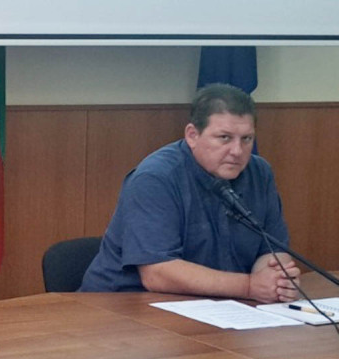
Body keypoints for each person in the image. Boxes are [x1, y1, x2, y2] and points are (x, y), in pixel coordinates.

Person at [79, 83, 300, 303]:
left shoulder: (259, 173)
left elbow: (273, 250)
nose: (237, 151)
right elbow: (157, 274)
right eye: (224, 138)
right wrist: (250, 286)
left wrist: (276, 282)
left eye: (246, 139)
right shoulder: (156, 178)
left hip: (216, 305)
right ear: (192, 135)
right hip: (122, 305)